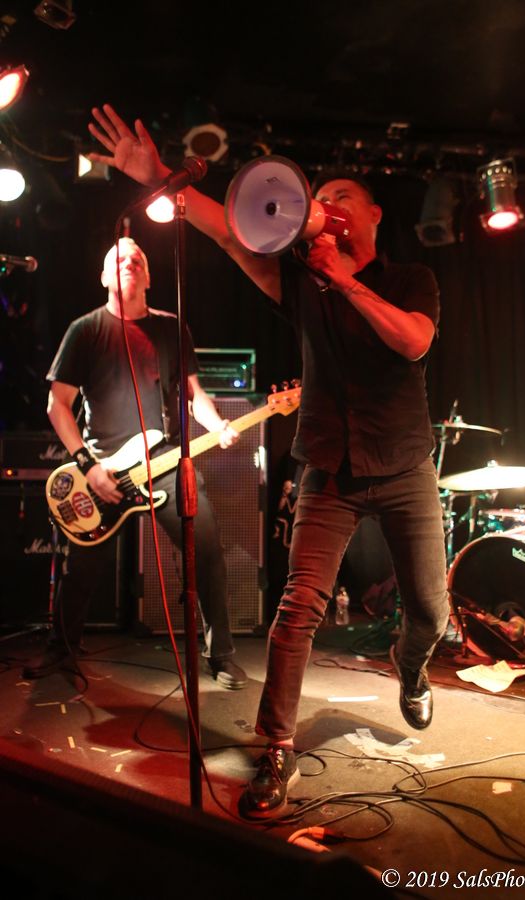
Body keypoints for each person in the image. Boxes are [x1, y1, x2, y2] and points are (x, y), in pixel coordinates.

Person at [86, 105, 449, 817]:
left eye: (340, 196)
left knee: (431, 611)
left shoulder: (411, 278)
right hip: (328, 469)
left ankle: (411, 666)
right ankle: (275, 749)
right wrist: (160, 178)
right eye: (320, 196)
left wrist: (346, 280)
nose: (326, 204)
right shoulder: (301, 284)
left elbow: (413, 341)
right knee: (296, 609)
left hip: (406, 467)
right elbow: (229, 232)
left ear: (372, 214)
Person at [23, 236, 247, 691]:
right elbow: (57, 405)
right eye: (120, 259)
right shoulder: (85, 330)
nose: (130, 262)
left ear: (149, 276)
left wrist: (218, 426)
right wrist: (88, 466)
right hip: (102, 468)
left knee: (205, 549)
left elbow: (194, 395)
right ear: (105, 276)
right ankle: (61, 648)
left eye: (138, 258)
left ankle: (220, 654)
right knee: (82, 568)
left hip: (164, 462)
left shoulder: (171, 328)